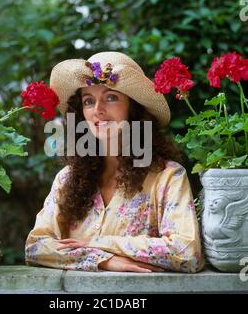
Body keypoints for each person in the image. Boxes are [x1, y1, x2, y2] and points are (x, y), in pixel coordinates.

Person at [25, 51, 204, 273]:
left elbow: (187, 253)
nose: (98, 110)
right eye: (88, 101)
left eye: (111, 97)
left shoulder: (167, 176)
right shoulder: (67, 178)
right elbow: (36, 247)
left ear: (134, 108)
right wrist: (104, 260)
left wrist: (100, 242)